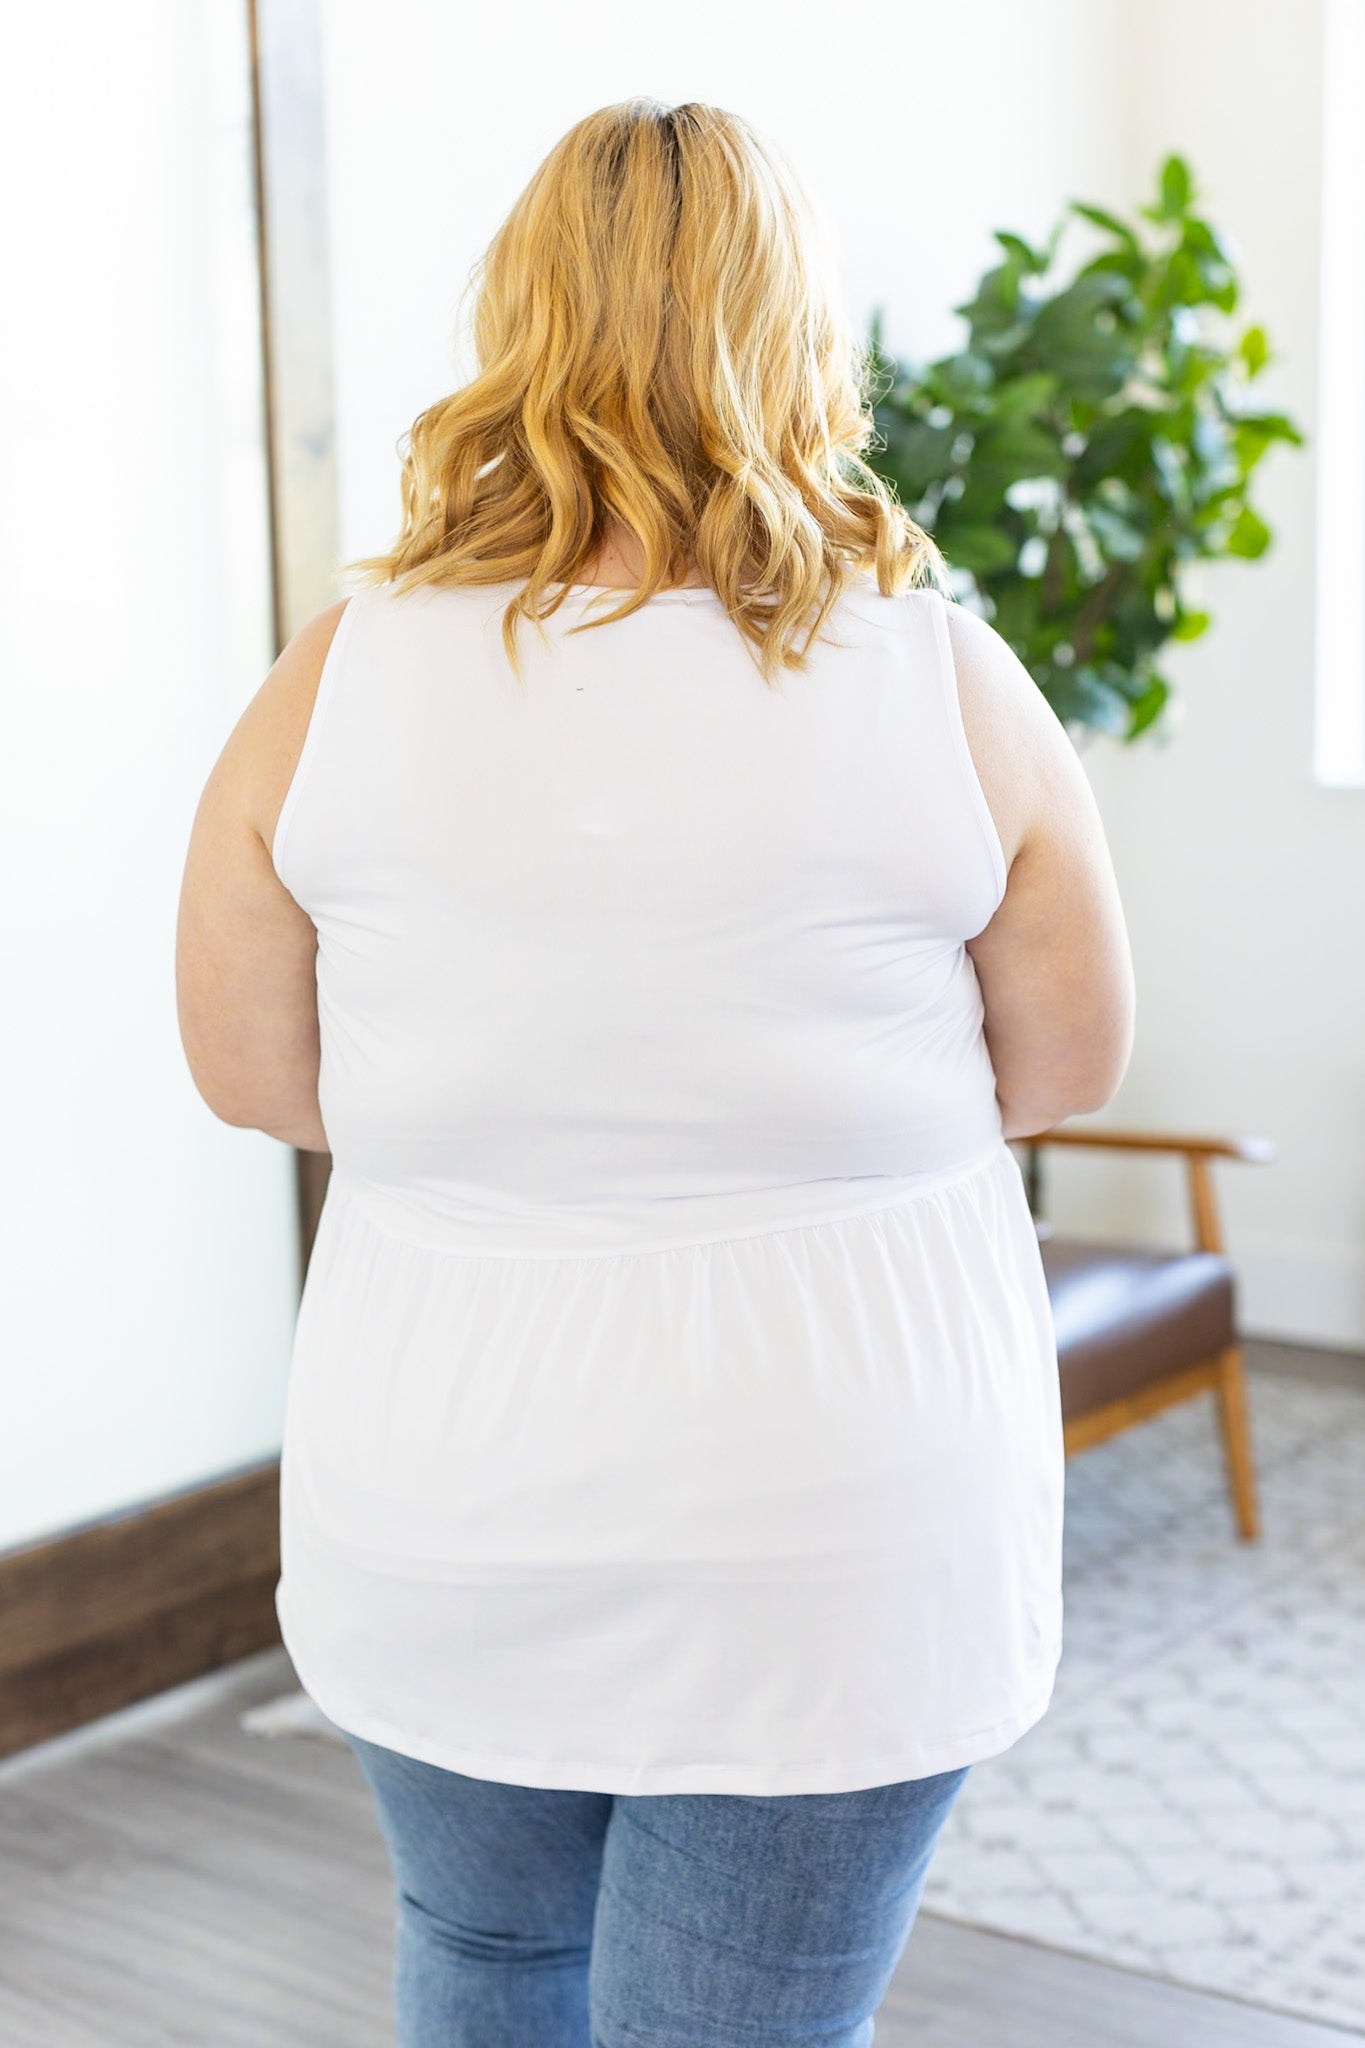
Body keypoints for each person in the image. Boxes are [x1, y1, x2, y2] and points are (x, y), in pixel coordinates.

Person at [176, 96, 1134, 2048]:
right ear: (798, 335)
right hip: (831, 1503)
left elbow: (259, 1080)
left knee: (489, 1955)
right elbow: (1061, 1070)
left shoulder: (332, 677)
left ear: (516, 320)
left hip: (442, 1468)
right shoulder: (938, 679)